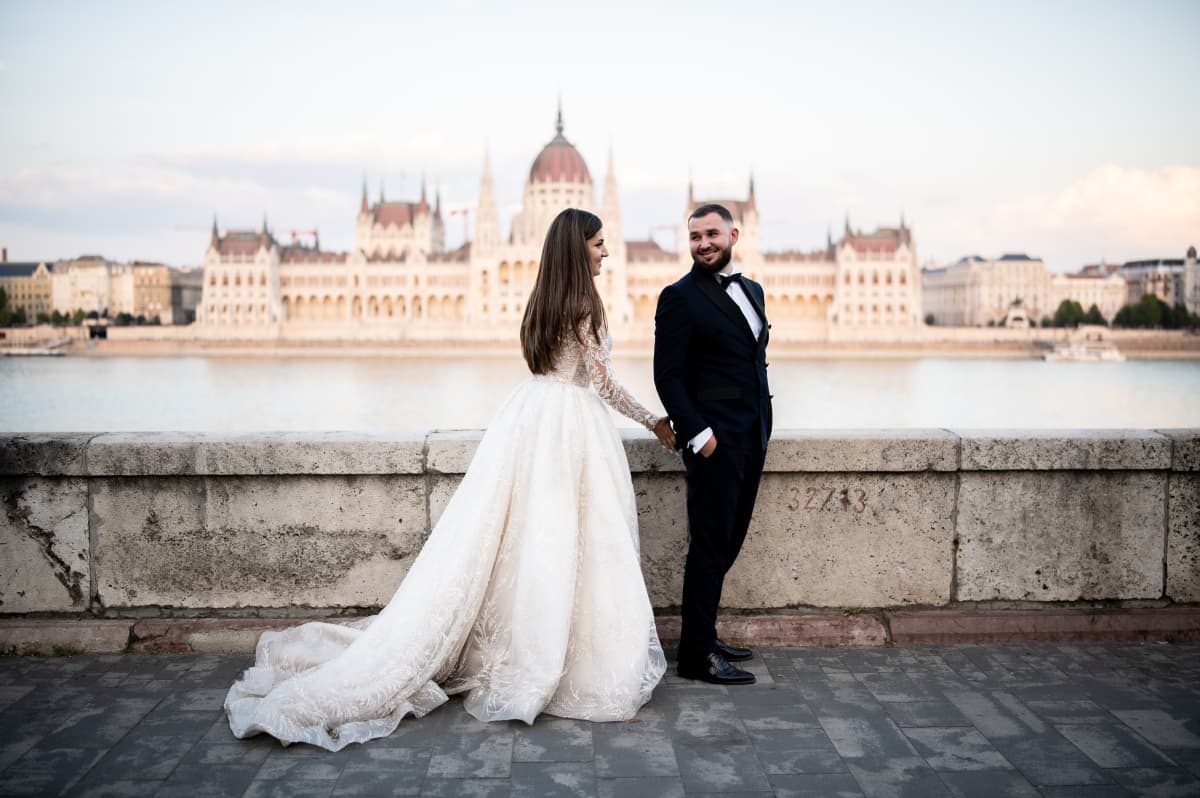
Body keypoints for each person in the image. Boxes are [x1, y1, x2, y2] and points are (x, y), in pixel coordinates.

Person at [225, 208, 673, 750]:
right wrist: (654, 421)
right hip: (571, 429)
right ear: (578, 248)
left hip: (530, 420)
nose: (606, 252)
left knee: (527, 538)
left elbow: (552, 369)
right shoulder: (586, 305)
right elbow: (602, 384)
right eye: (599, 244)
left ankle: (529, 645)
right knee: (565, 542)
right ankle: (557, 656)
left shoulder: (542, 301)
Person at [653, 203, 771, 686]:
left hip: (752, 434)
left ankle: (706, 634)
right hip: (715, 442)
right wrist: (700, 437)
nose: (703, 243)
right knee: (707, 546)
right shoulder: (679, 297)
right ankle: (695, 656)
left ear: (733, 235)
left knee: (729, 541)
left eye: (711, 234)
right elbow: (668, 375)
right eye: (695, 236)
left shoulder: (753, 289)